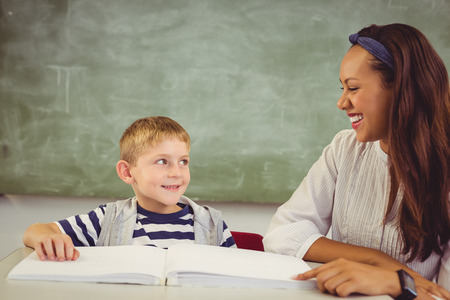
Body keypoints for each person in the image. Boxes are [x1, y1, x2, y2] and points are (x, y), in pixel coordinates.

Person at [263, 23, 450, 299]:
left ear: (400, 89)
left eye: (352, 88)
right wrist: (377, 260)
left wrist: (396, 283)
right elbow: (283, 232)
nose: (341, 102)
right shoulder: (343, 149)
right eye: (342, 88)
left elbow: (442, 294)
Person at [23, 116, 236, 262]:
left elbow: (235, 277)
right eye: (162, 162)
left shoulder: (212, 224)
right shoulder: (105, 219)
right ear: (127, 172)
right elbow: (35, 230)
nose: (176, 173)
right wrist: (47, 238)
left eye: (183, 161)